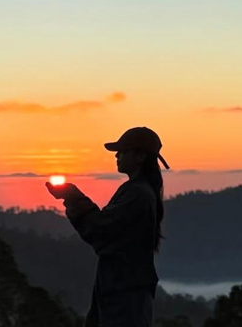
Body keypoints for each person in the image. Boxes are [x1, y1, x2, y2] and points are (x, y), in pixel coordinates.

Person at [45, 126, 170, 327]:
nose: (117, 155)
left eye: (123, 151)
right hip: (121, 290)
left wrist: (73, 197)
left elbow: (101, 230)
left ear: (140, 157)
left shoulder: (137, 194)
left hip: (124, 295)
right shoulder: (136, 191)